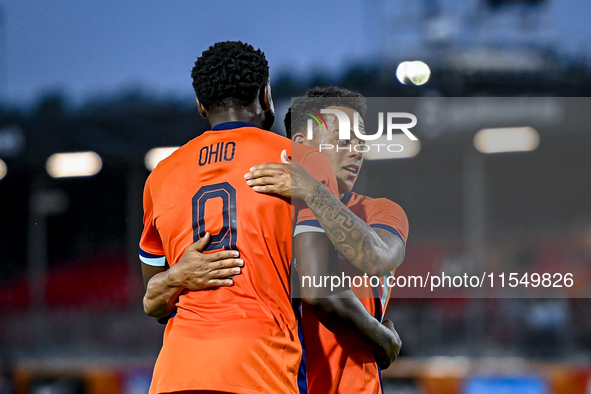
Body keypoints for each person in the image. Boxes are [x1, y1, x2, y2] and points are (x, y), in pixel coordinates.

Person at [139, 42, 401, 394]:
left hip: (174, 376)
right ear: (265, 95)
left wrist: (176, 276)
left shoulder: (161, 176)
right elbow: (319, 292)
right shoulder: (297, 162)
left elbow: (155, 300)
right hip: (261, 371)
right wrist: (385, 343)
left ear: (201, 105)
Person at [245, 86, 409, 394]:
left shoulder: (380, 210)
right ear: (301, 145)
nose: (357, 150)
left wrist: (313, 191)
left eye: (361, 142)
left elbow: (377, 258)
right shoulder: (270, 216)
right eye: (344, 140)